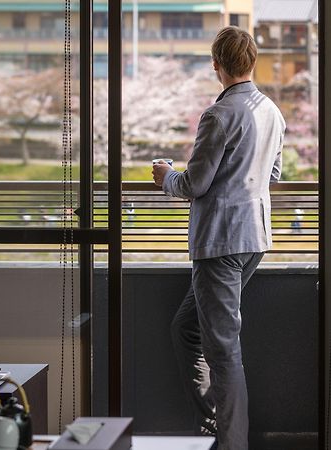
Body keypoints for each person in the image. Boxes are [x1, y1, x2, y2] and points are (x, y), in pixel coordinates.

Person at [152, 26, 285, 450]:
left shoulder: (219, 114)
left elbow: (194, 183)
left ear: (217, 65)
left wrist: (165, 176)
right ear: (251, 62)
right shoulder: (272, 112)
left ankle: (232, 443)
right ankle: (215, 425)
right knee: (186, 328)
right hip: (253, 239)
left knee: (224, 352)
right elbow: (273, 175)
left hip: (220, 244)